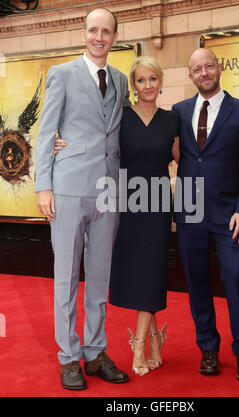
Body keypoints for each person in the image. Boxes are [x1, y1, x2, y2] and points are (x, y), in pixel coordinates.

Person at [55, 56, 179, 376]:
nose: (147, 85)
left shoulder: (172, 119)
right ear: (132, 86)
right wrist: (60, 144)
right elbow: (93, 136)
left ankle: (139, 344)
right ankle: (153, 339)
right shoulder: (121, 116)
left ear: (161, 82)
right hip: (123, 202)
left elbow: (185, 159)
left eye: (153, 79)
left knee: (152, 270)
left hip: (157, 204)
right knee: (138, 272)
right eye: (141, 80)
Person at [35, 8, 130, 390]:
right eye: (93, 30)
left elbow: (120, 131)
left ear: (114, 36)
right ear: (84, 33)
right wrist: (44, 185)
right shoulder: (61, 74)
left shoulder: (121, 80)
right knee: (66, 277)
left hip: (108, 192)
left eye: (106, 31)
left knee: (100, 277)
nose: (99, 37)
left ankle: (95, 351)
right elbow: (46, 131)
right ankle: (68, 357)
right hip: (69, 187)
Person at [172, 48, 239, 382]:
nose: (204, 72)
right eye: (197, 69)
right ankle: (208, 348)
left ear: (219, 68)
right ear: (191, 75)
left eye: (209, 66)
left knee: (236, 276)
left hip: (229, 214)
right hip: (189, 211)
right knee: (196, 280)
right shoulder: (178, 112)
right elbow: (151, 141)